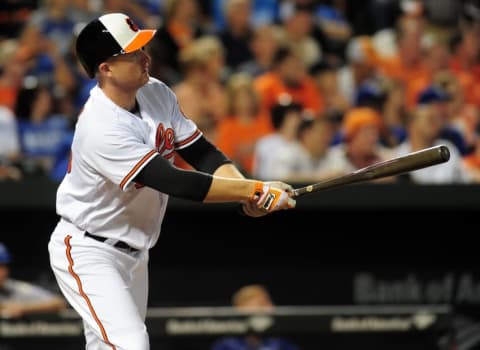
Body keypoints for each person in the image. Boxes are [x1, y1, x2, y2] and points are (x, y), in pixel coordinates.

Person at [47, 13, 295, 350]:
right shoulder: (101, 125)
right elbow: (176, 182)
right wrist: (254, 189)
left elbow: (203, 153)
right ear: (105, 68)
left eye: (143, 47)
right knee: (131, 345)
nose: (145, 56)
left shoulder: (155, 92)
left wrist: (245, 191)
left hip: (134, 252)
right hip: (89, 248)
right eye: (133, 53)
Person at [211, 284, 299, 350]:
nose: (271, 308)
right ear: (241, 309)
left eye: (269, 303)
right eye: (262, 304)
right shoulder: (226, 345)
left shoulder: (280, 342)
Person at [0, 242, 66, 318]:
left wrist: (22, 308)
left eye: (3, 266)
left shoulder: (13, 287)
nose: (3, 272)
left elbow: (58, 303)